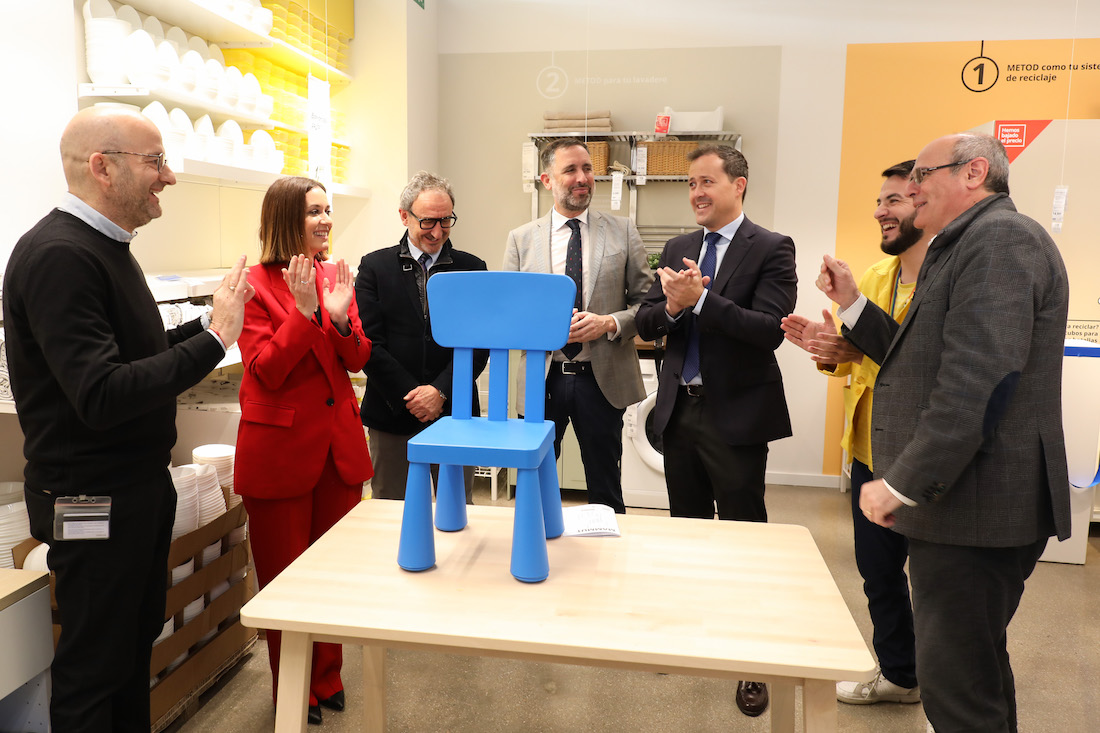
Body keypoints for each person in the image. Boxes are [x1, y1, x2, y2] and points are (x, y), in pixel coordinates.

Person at [3, 106, 251, 733]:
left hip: (129, 492)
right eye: (155, 161)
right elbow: (103, 393)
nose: (168, 176)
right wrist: (215, 339)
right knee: (95, 666)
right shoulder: (60, 256)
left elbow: (135, 355)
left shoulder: (104, 247)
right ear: (102, 167)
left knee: (130, 648)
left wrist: (208, 324)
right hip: (87, 499)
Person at [820, 133, 1071, 733]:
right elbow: (918, 359)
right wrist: (852, 305)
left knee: (958, 687)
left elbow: (978, 381)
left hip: (976, 507)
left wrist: (901, 483)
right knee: (973, 669)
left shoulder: (1001, 240)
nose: (909, 190)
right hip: (965, 505)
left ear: (973, 172)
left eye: (922, 175)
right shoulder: (963, 245)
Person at [635, 143, 797, 718]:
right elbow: (649, 319)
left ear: (739, 185)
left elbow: (768, 329)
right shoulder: (679, 247)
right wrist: (675, 309)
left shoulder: (772, 247)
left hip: (737, 415)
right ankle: (690, 633)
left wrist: (701, 299)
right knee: (687, 530)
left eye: (707, 182)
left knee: (744, 535)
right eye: (691, 184)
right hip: (680, 410)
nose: (697, 193)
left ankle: (752, 660)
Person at [781, 160, 929, 706]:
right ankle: (901, 675)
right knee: (879, 572)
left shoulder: (943, 280)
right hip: (870, 449)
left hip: (925, 455)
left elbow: (915, 362)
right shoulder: (875, 277)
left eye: (894, 200)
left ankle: (948, 685)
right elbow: (857, 359)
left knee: (936, 581)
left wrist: (850, 317)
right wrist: (829, 350)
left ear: (924, 202)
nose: (880, 211)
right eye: (879, 200)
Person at [233, 176, 373, 726]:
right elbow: (265, 370)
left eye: (327, 210)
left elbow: (357, 357)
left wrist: (335, 317)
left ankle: (328, 677)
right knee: (284, 578)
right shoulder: (251, 284)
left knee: (331, 574)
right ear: (286, 218)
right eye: (314, 211)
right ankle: (292, 688)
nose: (325, 220)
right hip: (280, 454)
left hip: (337, 449)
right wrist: (304, 312)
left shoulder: (336, 275)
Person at [503, 138, 653, 514]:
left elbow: (648, 304)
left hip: (602, 381)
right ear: (547, 180)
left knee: (606, 488)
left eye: (587, 169)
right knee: (533, 486)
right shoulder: (521, 240)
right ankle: (534, 545)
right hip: (542, 379)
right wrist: (540, 325)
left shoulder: (623, 231)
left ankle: (607, 549)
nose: (582, 177)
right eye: (570, 170)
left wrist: (609, 322)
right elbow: (509, 313)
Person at [355, 172, 487, 502]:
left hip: (454, 410)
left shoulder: (472, 268)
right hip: (392, 411)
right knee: (391, 511)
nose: (437, 232)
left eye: (446, 221)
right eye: (428, 221)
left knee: (457, 511)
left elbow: (478, 344)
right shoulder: (374, 268)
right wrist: (413, 395)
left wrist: (439, 391)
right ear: (404, 216)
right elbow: (370, 343)